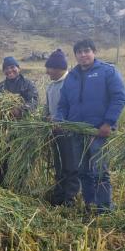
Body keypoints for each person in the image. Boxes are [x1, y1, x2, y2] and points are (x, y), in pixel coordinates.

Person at [55, 39, 125, 214]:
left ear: (94, 52)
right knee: (82, 170)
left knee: (100, 171)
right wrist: (59, 120)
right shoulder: (71, 77)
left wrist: (108, 123)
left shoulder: (107, 71)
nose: (83, 55)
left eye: (86, 51)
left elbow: (119, 97)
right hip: (76, 132)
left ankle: (104, 208)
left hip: (98, 131)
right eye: (79, 52)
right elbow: (63, 104)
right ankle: (90, 204)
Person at [0, 56, 39, 187]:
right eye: (6, 68)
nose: (10, 70)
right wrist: (1, 112)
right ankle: (2, 184)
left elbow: (34, 101)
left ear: (18, 68)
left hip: (23, 128)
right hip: (4, 129)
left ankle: (19, 185)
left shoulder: (28, 84)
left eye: (12, 67)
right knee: (3, 156)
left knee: (21, 156)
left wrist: (21, 110)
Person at [42, 49, 79, 207]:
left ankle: (70, 199)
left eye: (49, 68)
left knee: (71, 166)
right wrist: (45, 118)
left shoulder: (71, 83)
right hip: (55, 132)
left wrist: (60, 120)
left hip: (69, 133)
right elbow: (47, 108)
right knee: (59, 166)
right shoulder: (51, 87)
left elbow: (76, 108)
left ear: (57, 68)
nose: (47, 72)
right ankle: (58, 197)